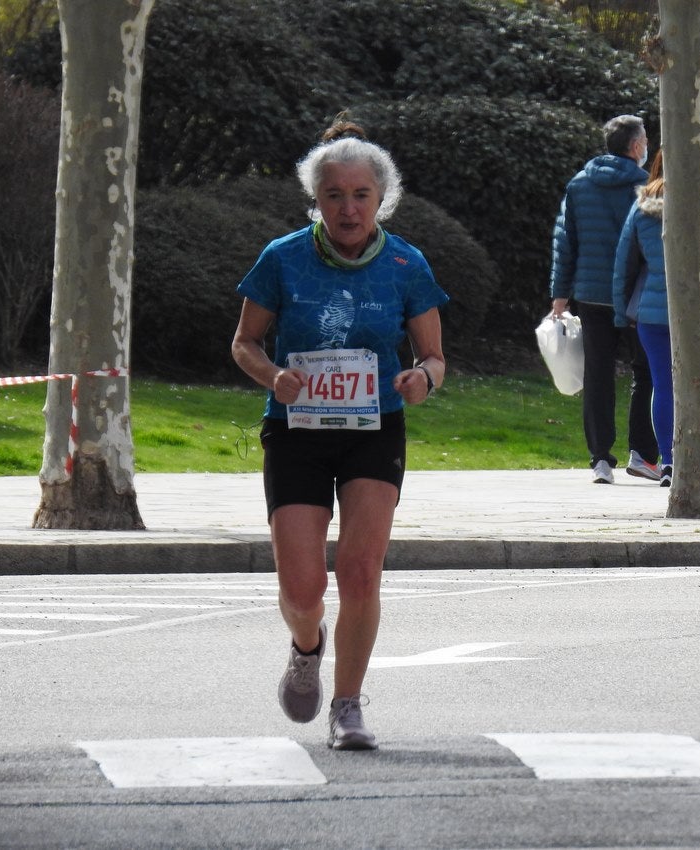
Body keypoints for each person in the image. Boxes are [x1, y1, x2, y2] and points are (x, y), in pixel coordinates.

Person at [231, 118, 449, 749]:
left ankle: (348, 705)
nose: (348, 208)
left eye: (361, 195)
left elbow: (434, 357)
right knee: (303, 589)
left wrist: (422, 381)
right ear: (317, 200)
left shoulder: (408, 263)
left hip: (373, 429)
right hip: (296, 430)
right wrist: (273, 376)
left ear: (382, 199)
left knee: (360, 573)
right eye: (334, 195)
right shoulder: (282, 257)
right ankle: (306, 646)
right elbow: (244, 341)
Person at [612, 148, 700, 486]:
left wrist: (621, 312)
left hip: (653, 314)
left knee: (663, 385)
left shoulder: (642, 205)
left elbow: (624, 263)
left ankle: (669, 463)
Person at [550, 114, 661, 485]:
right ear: (635, 147)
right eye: (645, 140)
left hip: (591, 293)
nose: (647, 146)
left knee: (597, 374)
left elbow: (565, 243)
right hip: (636, 297)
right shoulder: (646, 186)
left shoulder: (579, 185)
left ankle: (600, 458)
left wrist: (560, 295)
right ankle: (643, 454)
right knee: (646, 372)